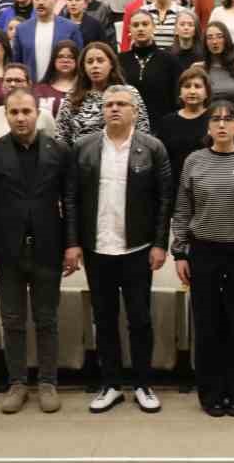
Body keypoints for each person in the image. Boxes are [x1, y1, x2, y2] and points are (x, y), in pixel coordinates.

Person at [0, 88, 81, 415]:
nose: (21, 118)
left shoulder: (59, 150)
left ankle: (48, 382)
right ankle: (17, 382)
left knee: (47, 319)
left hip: (49, 247)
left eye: (26, 112)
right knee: (12, 319)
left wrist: (72, 244)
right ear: (6, 115)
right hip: (7, 249)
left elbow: (71, 201)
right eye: (14, 112)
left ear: (38, 113)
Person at [69, 84, 172, 415]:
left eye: (122, 104)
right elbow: (71, 200)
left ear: (135, 111)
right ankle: (110, 384)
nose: (114, 109)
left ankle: (143, 383)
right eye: (109, 104)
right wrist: (72, 242)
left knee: (140, 318)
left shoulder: (152, 147)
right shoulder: (83, 147)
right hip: (98, 247)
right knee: (104, 318)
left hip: (138, 248)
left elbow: (164, 201)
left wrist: (159, 244)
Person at [172, 98, 234, 417]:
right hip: (203, 252)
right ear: (208, 126)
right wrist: (179, 252)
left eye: (228, 119)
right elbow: (182, 209)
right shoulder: (194, 161)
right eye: (215, 119)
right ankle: (211, 393)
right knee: (207, 325)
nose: (221, 124)